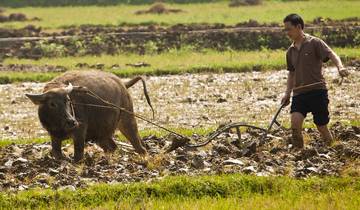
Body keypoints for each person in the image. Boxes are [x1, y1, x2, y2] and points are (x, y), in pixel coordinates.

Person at [281, 14, 349, 149]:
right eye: (285, 30)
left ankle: (333, 150)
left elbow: (331, 54)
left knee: (321, 126)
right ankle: (298, 155)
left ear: (298, 27)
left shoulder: (314, 43)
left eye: (289, 29)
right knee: (295, 125)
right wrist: (287, 93)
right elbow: (291, 73)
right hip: (299, 94)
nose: (287, 33)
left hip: (317, 91)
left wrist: (340, 67)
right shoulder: (290, 51)